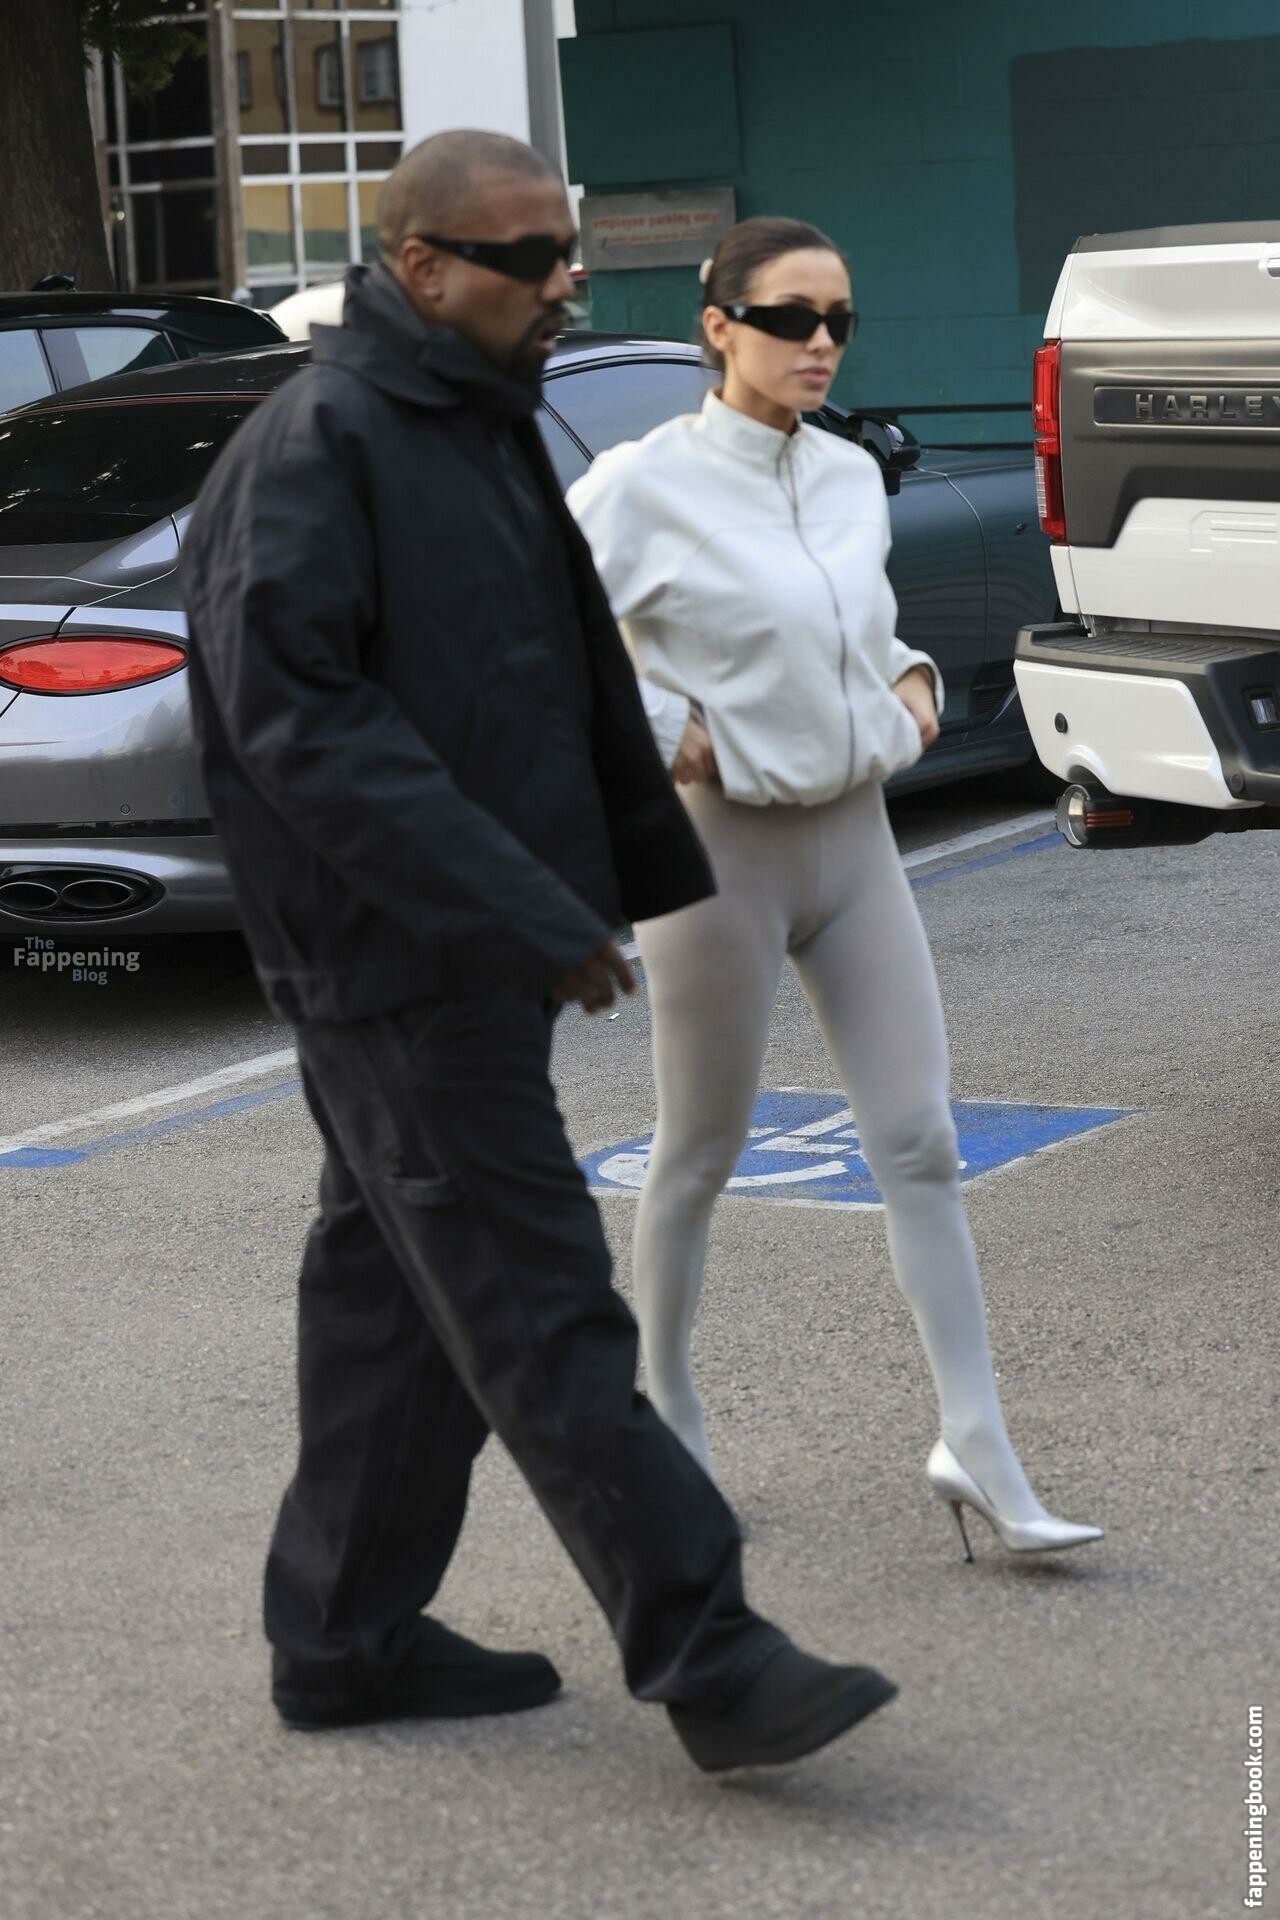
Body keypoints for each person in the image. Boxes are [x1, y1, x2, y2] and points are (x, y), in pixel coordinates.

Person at [180, 136, 898, 1770]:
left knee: (390, 1298)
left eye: (566, 250)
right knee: (536, 1296)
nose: (564, 281)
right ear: (420, 267)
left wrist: (611, 882)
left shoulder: (474, 422)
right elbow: (308, 732)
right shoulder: (317, 448)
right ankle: (712, 1654)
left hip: (472, 950)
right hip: (399, 963)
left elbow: (557, 668)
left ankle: (344, 1639)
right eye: (527, 258)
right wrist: (521, 910)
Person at [567, 217, 1102, 1560]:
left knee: (920, 1143)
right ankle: (666, 1413)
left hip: (855, 841)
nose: (820, 343)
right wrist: (657, 720)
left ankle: (977, 1442)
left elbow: (851, 619)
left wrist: (908, 675)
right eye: (790, 318)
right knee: (697, 1152)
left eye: (839, 321)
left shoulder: (851, 474)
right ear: (718, 326)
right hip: (717, 855)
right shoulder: (642, 485)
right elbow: (540, 631)